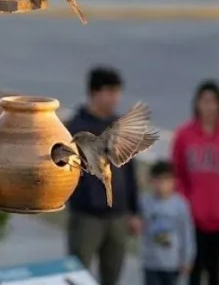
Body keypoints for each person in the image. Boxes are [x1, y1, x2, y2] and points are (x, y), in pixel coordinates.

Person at [65, 66, 143, 285]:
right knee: (77, 275)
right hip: (86, 217)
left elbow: (130, 171)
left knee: (113, 275)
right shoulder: (74, 128)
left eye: (118, 92)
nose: (115, 98)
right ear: (94, 92)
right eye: (110, 92)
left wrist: (134, 212)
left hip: (118, 217)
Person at [171, 80, 219, 285]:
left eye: (214, 102)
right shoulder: (185, 135)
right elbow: (178, 172)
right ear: (197, 104)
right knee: (194, 267)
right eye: (204, 101)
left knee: (215, 269)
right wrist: (186, 203)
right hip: (192, 215)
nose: (209, 106)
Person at [140, 160, 196, 285]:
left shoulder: (180, 205)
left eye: (166, 181)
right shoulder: (145, 202)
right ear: (152, 181)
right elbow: (136, 224)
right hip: (151, 263)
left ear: (173, 182)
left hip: (172, 263)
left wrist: (187, 259)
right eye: (157, 181)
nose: (161, 185)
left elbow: (186, 233)